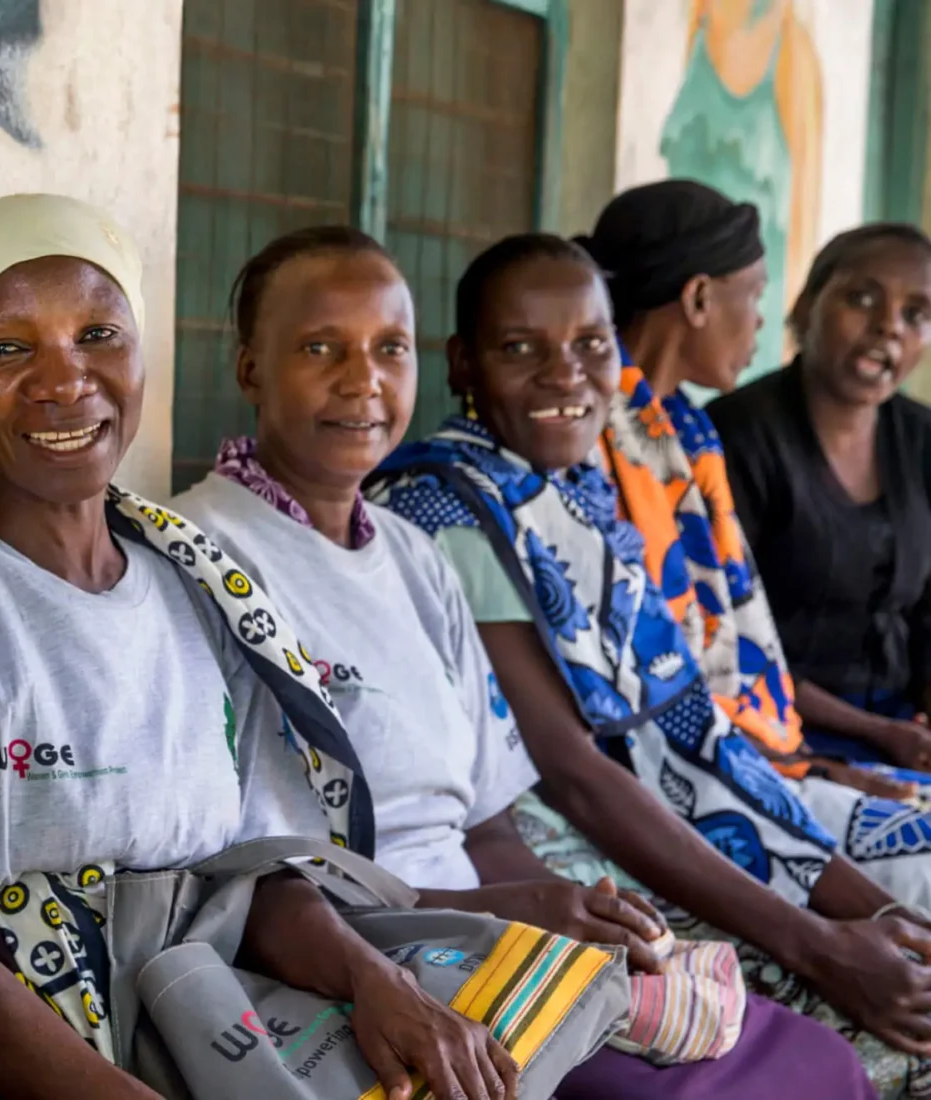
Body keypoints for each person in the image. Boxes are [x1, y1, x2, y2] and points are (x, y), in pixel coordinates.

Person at [0, 194, 555, 1100]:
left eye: (99, 335)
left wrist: (371, 981)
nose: (65, 381)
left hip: (211, 1027)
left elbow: (246, 872)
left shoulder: (202, 587)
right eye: (6, 348)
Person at [177, 225, 869, 1098]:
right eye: (321, 349)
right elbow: (246, 875)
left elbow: (489, 821)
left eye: (389, 348)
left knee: (809, 1056)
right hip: (351, 963)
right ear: (249, 370)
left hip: (480, 941)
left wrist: (581, 919)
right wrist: (497, 917)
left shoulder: (408, 554)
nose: (364, 382)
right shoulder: (200, 555)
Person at [369, 233, 931, 1095]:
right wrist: (816, 942)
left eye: (591, 346)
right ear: (464, 364)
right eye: (522, 348)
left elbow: (693, 727)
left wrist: (870, 913)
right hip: (562, 855)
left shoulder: (576, 494)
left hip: (674, 824)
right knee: (880, 1052)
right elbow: (575, 775)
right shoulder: (445, 507)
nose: (566, 375)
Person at [580, 180, 931, 808]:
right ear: (698, 299)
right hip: (737, 753)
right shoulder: (643, 434)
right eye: (756, 295)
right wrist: (818, 765)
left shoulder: (683, 430)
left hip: (780, 742)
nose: (889, 329)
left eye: (917, 314)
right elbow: (689, 658)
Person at [711, 223, 931, 775]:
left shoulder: (921, 440)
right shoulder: (733, 439)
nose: (888, 327)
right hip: (767, 735)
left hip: (900, 727)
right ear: (808, 306)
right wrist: (880, 734)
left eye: (917, 314)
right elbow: (726, 643)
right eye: (862, 298)